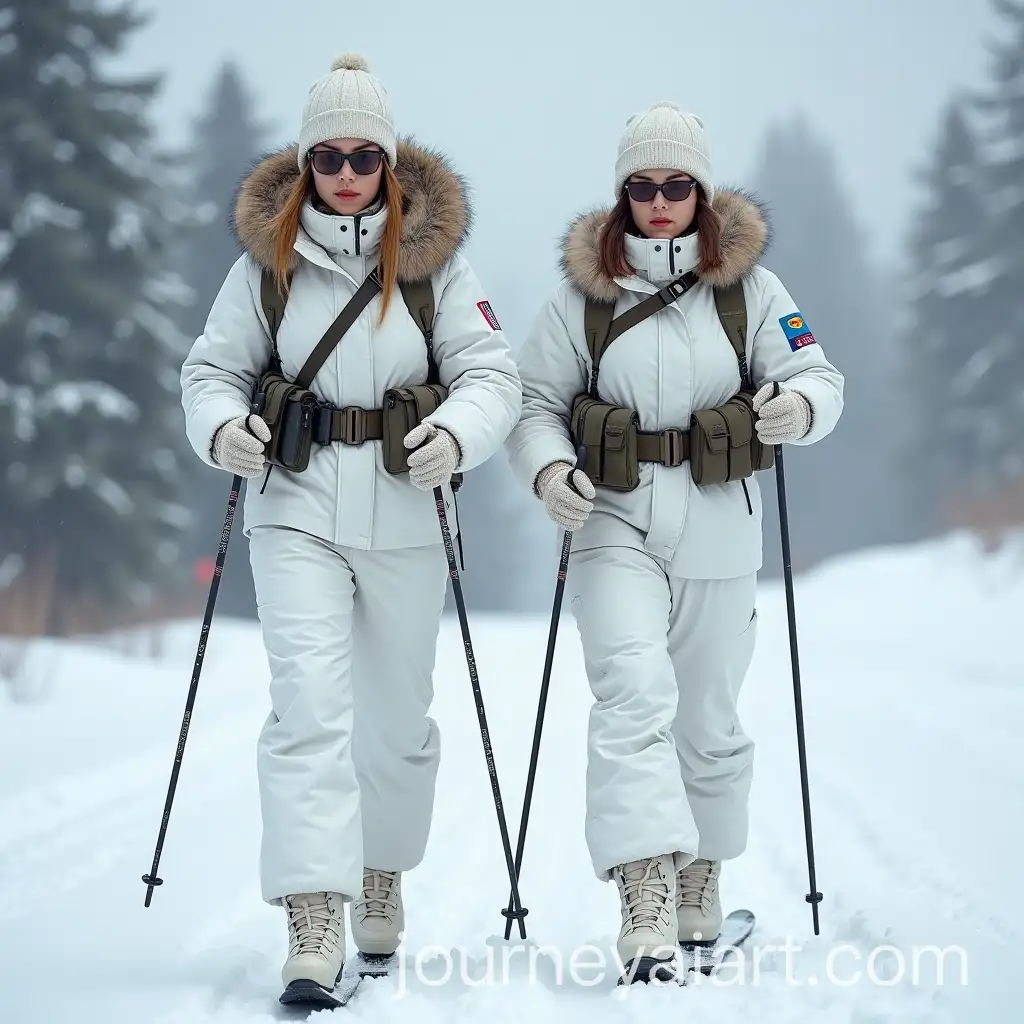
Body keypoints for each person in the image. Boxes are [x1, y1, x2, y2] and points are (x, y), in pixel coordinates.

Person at [180, 52, 521, 1000]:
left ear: (388, 161)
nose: (343, 175)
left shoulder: (437, 265)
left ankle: (380, 873)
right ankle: (313, 914)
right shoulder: (266, 269)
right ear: (303, 166)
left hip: (408, 512)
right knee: (307, 711)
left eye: (361, 156)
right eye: (325, 158)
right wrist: (223, 429)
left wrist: (457, 432)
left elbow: (492, 374)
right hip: (295, 512)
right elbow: (209, 371)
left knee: (396, 726)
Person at [505, 101, 844, 977]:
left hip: (720, 520)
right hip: (613, 519)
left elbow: (817, 373)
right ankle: (644, 895)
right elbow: (533, 405)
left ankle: (701, 877)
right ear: (623, 195)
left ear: (702, 190)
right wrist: (549, 471)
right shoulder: (581, 296)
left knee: (710, 722)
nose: (660, 200)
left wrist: (798, 406)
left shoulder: (750, 291)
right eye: (643, 185)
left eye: (677, 184)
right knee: (632, 696)